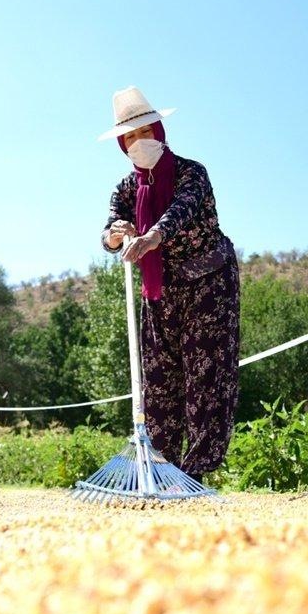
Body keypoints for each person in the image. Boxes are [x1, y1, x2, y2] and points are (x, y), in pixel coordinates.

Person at [98, 87, 240, 483]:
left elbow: (183, 209)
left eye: (144, 132)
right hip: (159, 291)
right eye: (128, 137)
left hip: (208, 283)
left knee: (205, 374)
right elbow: (108, 228)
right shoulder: (126, 189)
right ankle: (163, 469)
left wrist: (153, 236)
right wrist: (116, 234)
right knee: (160, 379)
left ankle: (195, 472)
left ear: (159, 131)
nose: (137, 142)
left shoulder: (192, 173)